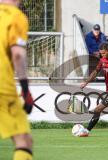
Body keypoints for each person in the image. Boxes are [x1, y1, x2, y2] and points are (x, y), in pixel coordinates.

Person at [0, 0, 34, 160]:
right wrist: (25, 88)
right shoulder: (15, 17)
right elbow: (18, 54)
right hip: (2, 87)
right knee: (24, 141)